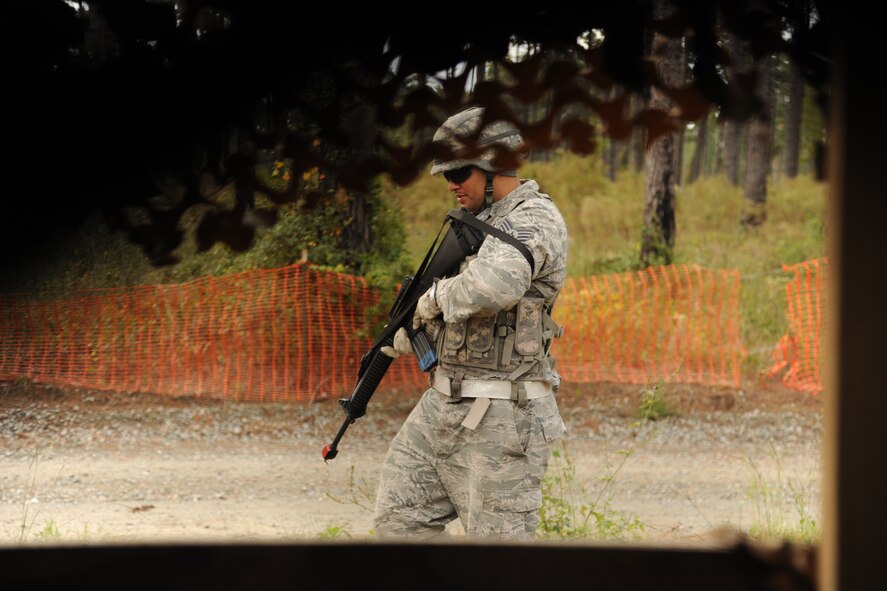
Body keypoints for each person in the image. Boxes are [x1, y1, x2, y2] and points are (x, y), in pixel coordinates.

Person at [374, 106, 569, 540]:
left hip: (503, 415)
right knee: (398, 523)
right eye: (446, 175)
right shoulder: (477, 224)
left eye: (460, 172)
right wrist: (413, 330)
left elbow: (493, 286)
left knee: (500, 562)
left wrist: (432, 301)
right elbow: (460, 311)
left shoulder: (533, 220)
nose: (451, 185)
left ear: (493, 166)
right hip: (442, 405)